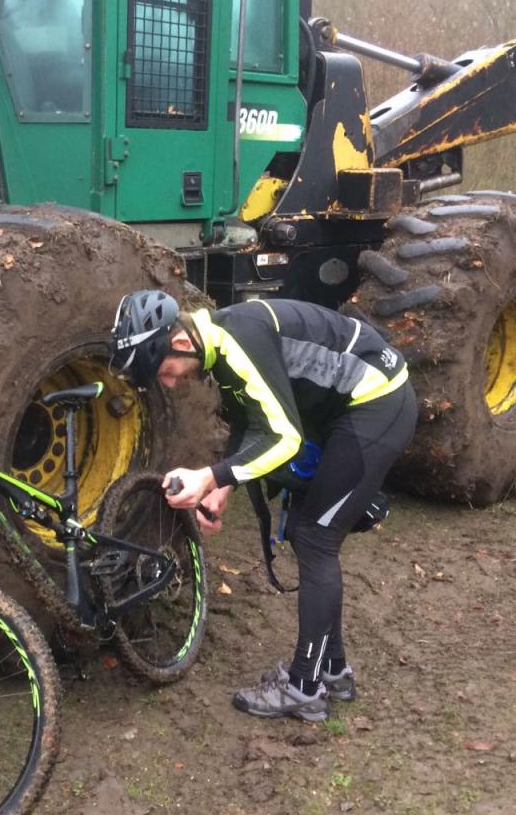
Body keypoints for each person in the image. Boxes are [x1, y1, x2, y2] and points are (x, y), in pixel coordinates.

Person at [109, 290, 417, 722]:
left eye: (165, 371)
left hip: (377, 403)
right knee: (310, 534)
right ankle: (333, 671)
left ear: (180, 343)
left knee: (315, 538)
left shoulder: (239, 340)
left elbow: (284, 439)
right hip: (348, 408)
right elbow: (252, 419)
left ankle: (304, 688)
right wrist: (224, 488)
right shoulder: (219, 341)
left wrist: (210, 477)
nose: (170, 381)